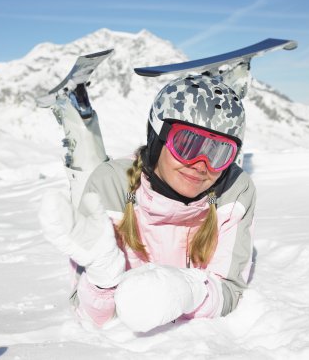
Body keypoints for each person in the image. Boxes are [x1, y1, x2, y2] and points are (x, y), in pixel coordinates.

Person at [39, 74, 256, 333]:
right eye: (186, 144)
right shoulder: (112, 184)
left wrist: (188, 291)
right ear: (157, 137)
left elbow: (230, 289)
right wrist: (103, 276)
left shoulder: (234, 190)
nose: (201, 165)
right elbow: (90, 319)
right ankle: (77, 113)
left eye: (219, 153)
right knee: (91, 172)